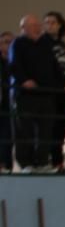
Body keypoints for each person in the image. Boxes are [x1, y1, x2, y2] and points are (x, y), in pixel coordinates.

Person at [8, 14, 61, 173]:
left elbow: (54, 66)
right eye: (32, 26)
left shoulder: (46, 44)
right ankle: (27, 164)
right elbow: (14, 65)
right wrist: (24, 80)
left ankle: (42, 162)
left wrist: (61, 84)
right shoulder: (18, 43)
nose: (37, 28)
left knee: (46, 130)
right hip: (26, 95)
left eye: (38, 25)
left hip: (45, 94)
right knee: (25, 130)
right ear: (23, 28)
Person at [43, 11, 65, 171]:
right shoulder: (44, 43)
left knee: (61, 126)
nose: (50, 25)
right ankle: (51, 161)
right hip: (53, 91)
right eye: (47, 22)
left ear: (60, 25)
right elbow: (50, 69)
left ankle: (58, 161)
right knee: (51, 127)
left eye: (53, 22)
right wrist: (60, 84)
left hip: (63, 91)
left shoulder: (62, 44)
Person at [0, 31, 14, 172]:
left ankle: (6, 165)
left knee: (9, 137)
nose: (8, 45)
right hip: (2, 103)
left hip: (13, 104)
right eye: (5, 42)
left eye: (11, 42)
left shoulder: (16, 61)